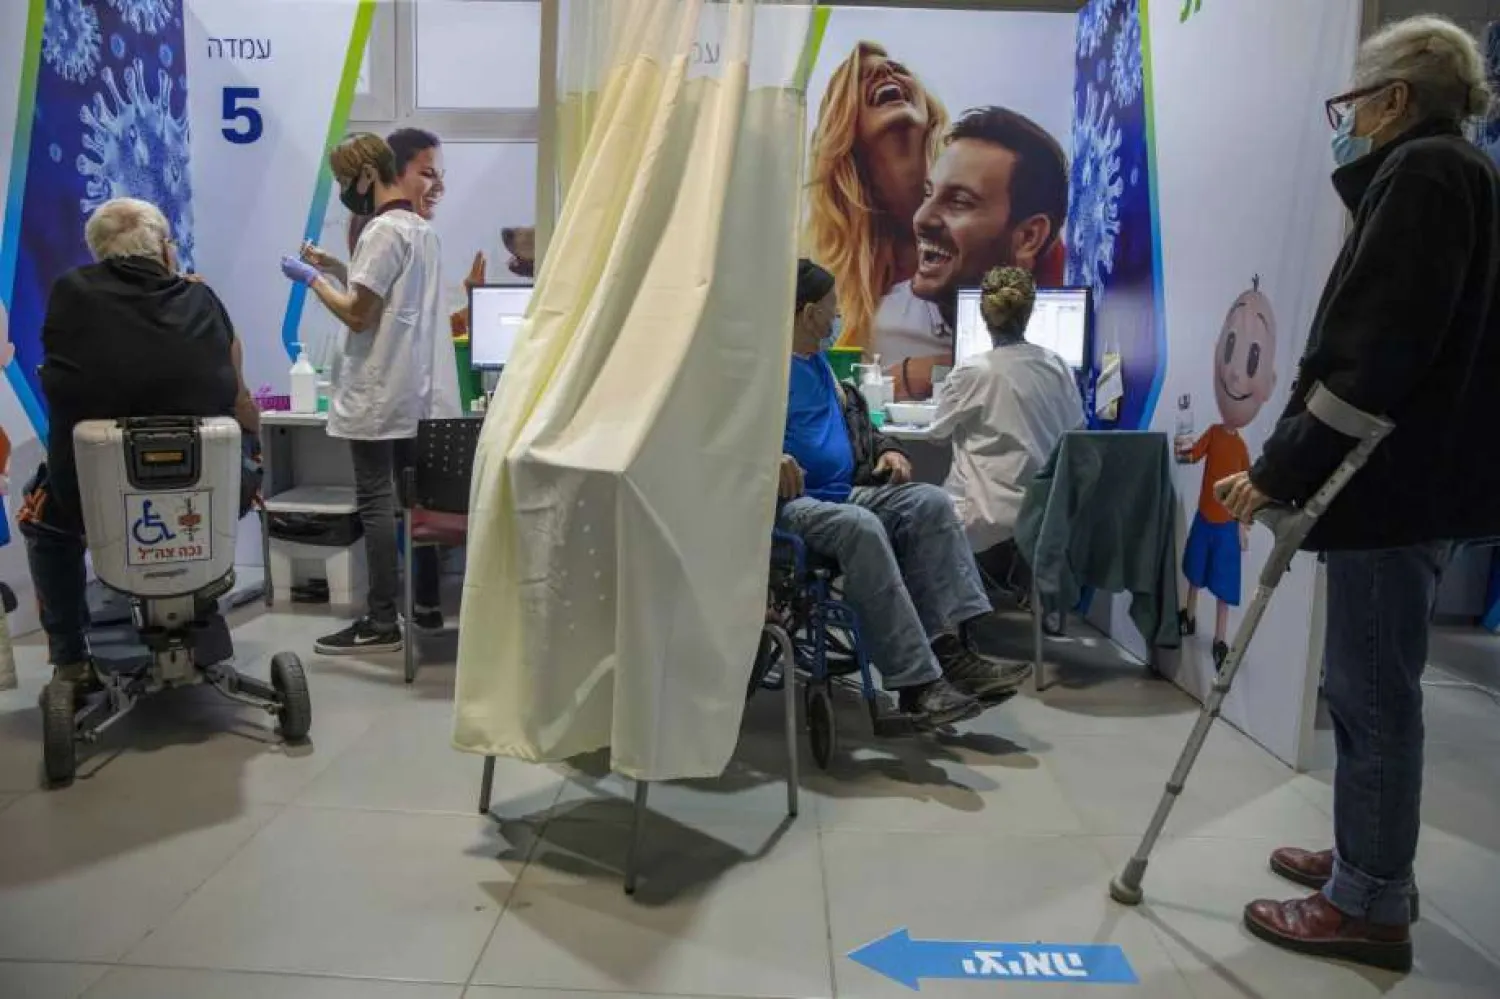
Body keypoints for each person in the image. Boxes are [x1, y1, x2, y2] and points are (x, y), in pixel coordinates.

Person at [1215, 16, 1498, 973]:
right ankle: (1365, 858)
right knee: (1368, 684)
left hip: (1388, 485)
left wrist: (1278, 468)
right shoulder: (1461, 173)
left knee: (1370, 690)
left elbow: (1370, 354)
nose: (1349, 122)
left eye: (1355, 102)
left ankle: (1369, 901)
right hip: (1415, 481)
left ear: (1395, 99)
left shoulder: (1423, 176)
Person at [776, 260, 1031, 729]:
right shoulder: (765, 374)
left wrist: (889, 449)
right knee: (861, 526)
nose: (838, 315)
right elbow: (726, 439)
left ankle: (950, 650)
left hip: (843, 493)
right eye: (832, 307)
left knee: (929, 502)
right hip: (793, 507)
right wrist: (767, 458)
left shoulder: (822, 369)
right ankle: (916, 686)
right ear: (809, 313)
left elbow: (859, 425)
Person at [21, 197, 259, 690]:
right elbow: (239, 396)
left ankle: (70, 660)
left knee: (42, 520)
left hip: (97, 499)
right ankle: (199, 607)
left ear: (98, 254)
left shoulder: (70, 293)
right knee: (229, 471)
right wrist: (254, 449)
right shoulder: (204, 300)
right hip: (209, 494)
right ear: (166, 251)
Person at [281, 133, 461, 655]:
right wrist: (337, 268)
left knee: (377, 501)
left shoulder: (382, 231)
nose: (344, 190)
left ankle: (381, 619)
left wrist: (312, 280)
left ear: (365, 175)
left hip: (378, 392)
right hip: (412, 393)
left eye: (345, 180)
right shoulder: (420, 230)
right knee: (414, 500)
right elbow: (382, 292)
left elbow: (360, 314)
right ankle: (424, 606)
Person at [891, 106, 1069, 401]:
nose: (921, 218)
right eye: (928, 194)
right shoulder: (884, 322)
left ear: (1028, 237)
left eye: (959, 202)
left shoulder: (1059, 327)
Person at [929, 267, 1083, 584]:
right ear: (1030, 313)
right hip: (1044, 514)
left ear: (983, 315)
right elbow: (1077, 431)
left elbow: (936, 433)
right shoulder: (1058, 367)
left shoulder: (972, 371)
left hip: (985, 516)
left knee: (922, 509)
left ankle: (948, 607)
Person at [805, 42, 949, 356]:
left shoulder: (994, 218)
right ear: (845, 124)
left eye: (898, 69)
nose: (887, 71)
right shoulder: (827, 278)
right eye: (863, 77)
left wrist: (926, 371)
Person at [1176, 277, 1279, 668]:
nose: (1235, 375)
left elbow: (1249, 488)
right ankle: (1188, 615)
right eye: (1231, 348)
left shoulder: (1242, 450)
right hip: (1205, 519)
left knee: (1222, 584)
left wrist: (1244, 525)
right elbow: (1192, 456)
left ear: (1269, 384)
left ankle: (1220, 638)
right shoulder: (1214, 435)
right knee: (1195, 572)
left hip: (1225, 526)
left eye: (1252, 359)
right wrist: (1182, 448)